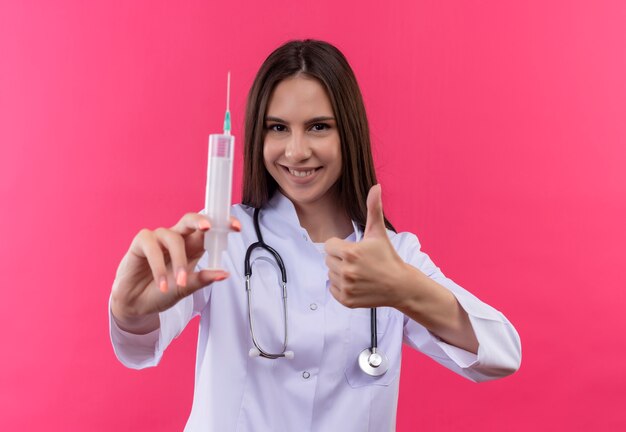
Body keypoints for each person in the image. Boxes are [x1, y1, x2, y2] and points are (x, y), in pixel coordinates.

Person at [109, 39, 521, 431]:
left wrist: (405, 290)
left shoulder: (393, 257)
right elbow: (139, 348)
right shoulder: (220, 238)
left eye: (319, 126)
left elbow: (500, 354)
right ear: (257, 135)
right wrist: (130, 312)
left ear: (349, 134)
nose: (296, 151)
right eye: (278, 128)